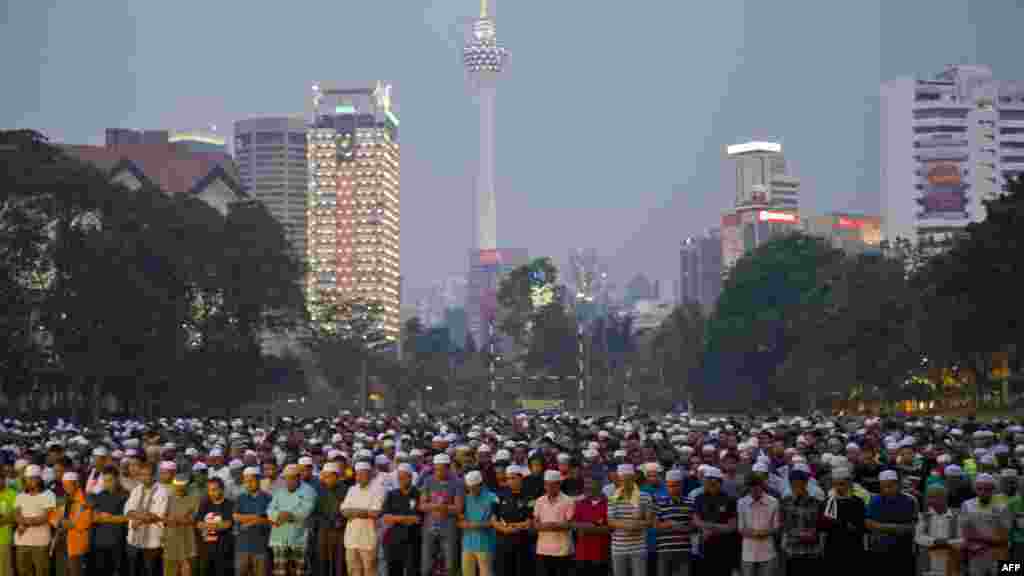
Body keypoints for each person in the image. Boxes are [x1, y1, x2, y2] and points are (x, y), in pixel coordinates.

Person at [865, 469, 916, 575]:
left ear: (898, 484)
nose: (887, 489)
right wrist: (897, 528)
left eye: (891, 486)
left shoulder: (909, 501)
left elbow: (912, 527)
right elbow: (869, 524)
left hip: (902, 550)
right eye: (884, 486)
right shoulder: (874, 501)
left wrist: (881, 526)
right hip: (880, 549)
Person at [418, 454, 462, 576]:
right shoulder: (428, 481)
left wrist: (445, 508)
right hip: (429, 528)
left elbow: (458, 508)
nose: (438, 472)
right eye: (436, 469)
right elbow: (421, 505)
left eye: (441, 469)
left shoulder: (457, 483)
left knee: (450, 565)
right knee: (426, 565)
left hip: (449, 528)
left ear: (448, 468)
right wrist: (436, 506)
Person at [268, 464, 315, 576]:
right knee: (280, 571)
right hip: (279, 536)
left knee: (300, 572)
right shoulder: (279, 491)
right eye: (286, 478)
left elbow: (305, 511)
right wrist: (278, 515)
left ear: (299, 477)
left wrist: (288, 515)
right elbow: (270, 509)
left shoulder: (309, 491)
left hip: (299, 537)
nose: (289, 481)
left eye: (292, 478)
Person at [959, 473, 1009, 576]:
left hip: (996, 553)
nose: (983, 492)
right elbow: (965, 533)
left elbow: (1004, 535)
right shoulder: (967, 505)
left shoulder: (1002, 507)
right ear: (975, 489)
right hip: (975, 554)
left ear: (993, 490)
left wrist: (982, 540)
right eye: (980, 489)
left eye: (987, 489)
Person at [691, 466, 736, 576]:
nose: (708, 484)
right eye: (706, 482)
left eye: (712, 482)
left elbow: (732, 527)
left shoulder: (729, 500)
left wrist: (710, 528)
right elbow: (695, 520)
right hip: (704, 547)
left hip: (724, 549)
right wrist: (706, 528)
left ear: (719, 483)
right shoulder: (699, 498)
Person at [340, 461, 383, 576]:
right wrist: (363, 512)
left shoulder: (378, 489)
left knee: (370, 571)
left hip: (369, 538)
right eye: (358, 474)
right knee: (353, 571)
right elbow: (343, 511)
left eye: (363, 474)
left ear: (370, 474)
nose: (360, 477)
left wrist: (353, 512)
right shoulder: (352, 489)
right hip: (351, 538)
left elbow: (375, 513)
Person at [779, 469, 822, 576]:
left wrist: (814, 535)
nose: (797, 485)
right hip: (792, 551)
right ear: (790, 483)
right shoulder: (785, 502)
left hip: (811, 551)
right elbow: (783, 525)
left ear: (806, 483)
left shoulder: (816, 503)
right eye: (793, 483)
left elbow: (819, 526)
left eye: (800, 482)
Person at [492, 465, 532, 576]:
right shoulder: (499, 495)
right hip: (503, 543)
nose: (510, 481)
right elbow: (493, 519)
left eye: (513, 478)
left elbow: (529, 521)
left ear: (521, 478)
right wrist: (504, 529)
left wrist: (513, 527)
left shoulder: (529, 496)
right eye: (508, 478)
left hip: (522, 543)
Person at [533, 469, 575, 576]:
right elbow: (535, 525)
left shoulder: (569, 501)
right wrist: (554, 525)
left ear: (559, 484)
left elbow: (570, 525)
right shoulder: (539, 501)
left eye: (553, 485)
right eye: (547, 485)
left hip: (563, 551)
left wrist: (548, 525)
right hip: (543, 550)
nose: (549, 488)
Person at [381, 463, 421, 576]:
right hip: (393, 540)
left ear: (410, 478)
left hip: (412, 540)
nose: (401, 481)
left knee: (412, 570)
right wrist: (405, 518)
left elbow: (417, 519)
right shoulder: (392, 494)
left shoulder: (418, 494)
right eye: (399, 478)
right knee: (393, 570)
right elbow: (386, 518)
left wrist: (396, 518)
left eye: (404, 478)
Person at [89, 466, 129, 576]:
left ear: (117, 479)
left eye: (110, 480)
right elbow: (93, 515)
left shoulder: (125, 495)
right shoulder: (100, 495)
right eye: (105, 481)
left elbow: (128, 517)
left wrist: (110, 518)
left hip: (117, 543)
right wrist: (94, 516)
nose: (107, 483)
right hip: (99, 542)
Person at [915, 483, 962, 576]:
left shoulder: (957, 517)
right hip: (929, 564)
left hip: (951, 563)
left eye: (935, 497)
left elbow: (963, 539)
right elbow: (918, 537)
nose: (931, 500)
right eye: (929, 497)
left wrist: (947, 542)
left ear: (944, 498)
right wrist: (935, 541)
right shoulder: (923, 516)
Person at [820, 466, 865, 562]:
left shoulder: (858, 502)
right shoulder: (827, 503)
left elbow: (860, 528)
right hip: (833, 549)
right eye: (837, 484)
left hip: (854, 549)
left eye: (843, 483)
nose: (840, 487)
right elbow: (823, 530)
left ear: (849, 483)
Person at [233, 467, 273, 576]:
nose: (248, 484)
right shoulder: (240, 498)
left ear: (258, 481)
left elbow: (269, 520)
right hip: (242, 547)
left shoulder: (267, 498)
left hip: (261, 547)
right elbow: (236, 517)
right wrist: (256, 517)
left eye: (251, 481)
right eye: (246, 481)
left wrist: (250, 521)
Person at [736, 474, 778, 576]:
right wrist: (755, 533)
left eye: (756, 486)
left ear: (762, 486)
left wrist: (764, 532)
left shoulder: (773, 502)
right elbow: (741, 528)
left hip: (767, 552)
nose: (754, 489)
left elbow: (776, 526)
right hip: (748, 553)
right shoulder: (741, 503)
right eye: (751, 487)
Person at [53, 472, 92, 576]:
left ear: (76, 484)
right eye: (64, 485)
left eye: (68, 485)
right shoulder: (64, 499)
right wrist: (59, 522)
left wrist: (69, 524)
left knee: (76, 572)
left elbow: (86, 521)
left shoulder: (85, 498)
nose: (66, 488)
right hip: (63, 542)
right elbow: (54, 516)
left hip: (77, 544)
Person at [458, 470, 497, 576]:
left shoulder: (492, 498)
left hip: (485, 544)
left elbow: (495, 522)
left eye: (473, 488)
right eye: (468, 488)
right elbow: (460, 520)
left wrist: (472, 525)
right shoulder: (466, 498)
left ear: (480, 485)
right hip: (467, 544)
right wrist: (461, 523)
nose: (471, 491)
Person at [572, 472, 610, 576]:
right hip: (582, 555)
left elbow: (609, 528)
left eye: (590, 483)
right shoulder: (580, 504)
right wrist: (596, 524)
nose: (586, 486)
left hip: (602, 555)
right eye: (585, 483)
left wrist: (585, 527)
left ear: (599, 485)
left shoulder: (609, 504)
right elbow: (574, 525)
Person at [195, 476, 234, 576]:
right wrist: (215, 526)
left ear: (222, 489)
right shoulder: (204, 504)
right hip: (206, 550)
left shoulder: (229, 504)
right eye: (209, 490)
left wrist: (207, 525)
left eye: (214, 490)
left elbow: (227, 524)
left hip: (224, 550)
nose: (211, 493)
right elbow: (198, 524)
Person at [161, 472, 198, 576]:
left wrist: (175, 519)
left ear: (187, 486)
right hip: (170, 540)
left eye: (182, 486)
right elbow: (163, 518)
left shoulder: (194, 499)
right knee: (169, 571)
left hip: (187, 540)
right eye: (177, 486)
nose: (179, 489)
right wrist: (171, 520)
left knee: (187, 569)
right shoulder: (168, 498)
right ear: (173, 485)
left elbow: (193, 519)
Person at [313, 463, 346, 576]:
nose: (328, 479)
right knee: (323, 560)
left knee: (338, 561)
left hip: (339, 531)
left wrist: (340, 520)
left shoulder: (344, 489)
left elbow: (345, 509)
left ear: (336, 476)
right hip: (323, 529)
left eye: (330, 476)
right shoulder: (319, 490)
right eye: (325, 476)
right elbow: (315, 511)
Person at [0, 460, 19, 576]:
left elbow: (15, 516)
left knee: (7, 570)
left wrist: (5, 519)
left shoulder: (13, 494)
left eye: (1, 478)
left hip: (6, 539)